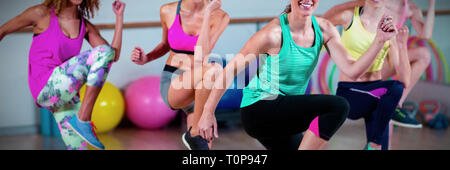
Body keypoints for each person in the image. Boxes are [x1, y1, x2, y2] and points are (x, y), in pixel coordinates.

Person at [197, 0, 397, 150]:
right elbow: (230, 70)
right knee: (338, 105)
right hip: (258, 109)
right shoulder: (273, 34)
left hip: (283, 112)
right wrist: (207, 113)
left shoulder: (324, 29)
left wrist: (379, 41)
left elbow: (352, 70)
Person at [0, 0, 126, 150]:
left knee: (78, 147)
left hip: (65, 94)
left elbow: (113, 55)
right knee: (103, 52)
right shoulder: (41, 13)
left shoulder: (84, 25)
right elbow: (2, 30)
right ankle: (83, 118)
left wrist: (119, 17)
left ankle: (81, 121)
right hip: (45, 86)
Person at [130, 0, 230, 150]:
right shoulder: (167, 11)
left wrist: (208, 13)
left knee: (203, 150)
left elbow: (201, 56)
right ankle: (195, 133)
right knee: (214, 69)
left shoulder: (220, 16)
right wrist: (147, 58)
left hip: (202, 88)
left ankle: (196, 133)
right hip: (174, 82)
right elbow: (165, 44)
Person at [323, 0, 436, 128]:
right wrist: (318, 21)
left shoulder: (410, 8)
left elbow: (426, 34)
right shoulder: (374, 2)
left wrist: (432, 3)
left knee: (424, 54)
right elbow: (339, 8)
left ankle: (397, 106)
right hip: (370, 56)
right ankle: (390, 110)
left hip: (389, 54)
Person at [324, 0, 411, 150]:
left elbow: (405, 81)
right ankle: (374, 143)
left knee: (395, 89)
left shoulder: (389, 28)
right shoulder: (349, 17)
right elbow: (322, 22)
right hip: (350, 93)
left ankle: (374, 144)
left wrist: (402, 45)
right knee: (393, 89)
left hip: (376, 96)